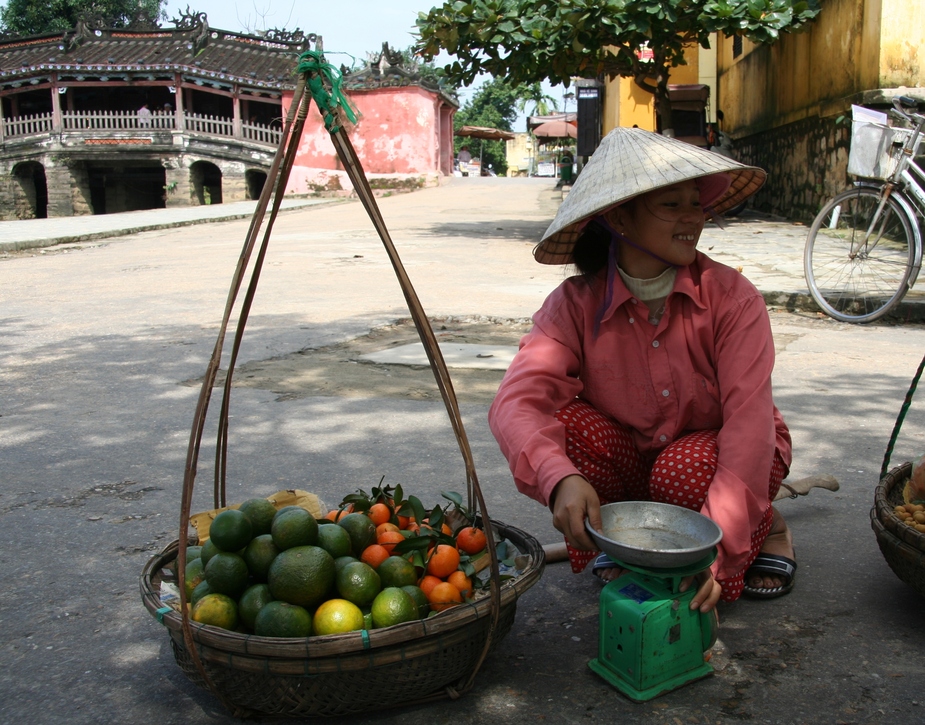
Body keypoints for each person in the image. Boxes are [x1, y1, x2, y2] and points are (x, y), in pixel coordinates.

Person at [488, 127, 796, 613]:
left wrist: (716, 554)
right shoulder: (574, 304)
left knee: (681, 471)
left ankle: (767, 526)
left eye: (695, 203)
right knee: (566, 430)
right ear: (619, 219)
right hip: (636, 466)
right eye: (671, 206)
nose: (693, 218)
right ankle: (637, 544)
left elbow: (748, 429)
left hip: (712, 462)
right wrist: (558, 478)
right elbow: (517, 403)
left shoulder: (733, 298)